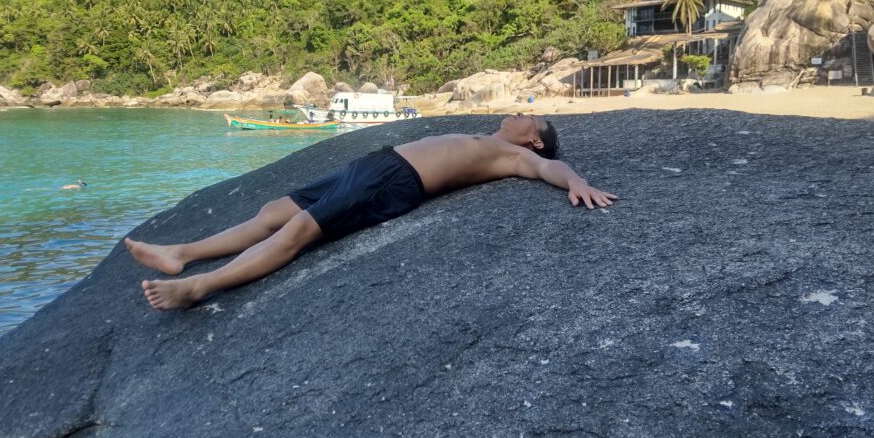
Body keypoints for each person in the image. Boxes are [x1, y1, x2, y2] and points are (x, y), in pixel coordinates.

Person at [127, 113, 617, 311]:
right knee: (273, 210)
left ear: (534, 140)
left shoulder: (515, 155)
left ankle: (199, 286)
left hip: (394, 181)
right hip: (375, 164)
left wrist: (575, 181)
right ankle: (182, 253)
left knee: (299, 229)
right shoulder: (486, 137)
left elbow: (550, 169)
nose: (521, 113)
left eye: (532, 119)